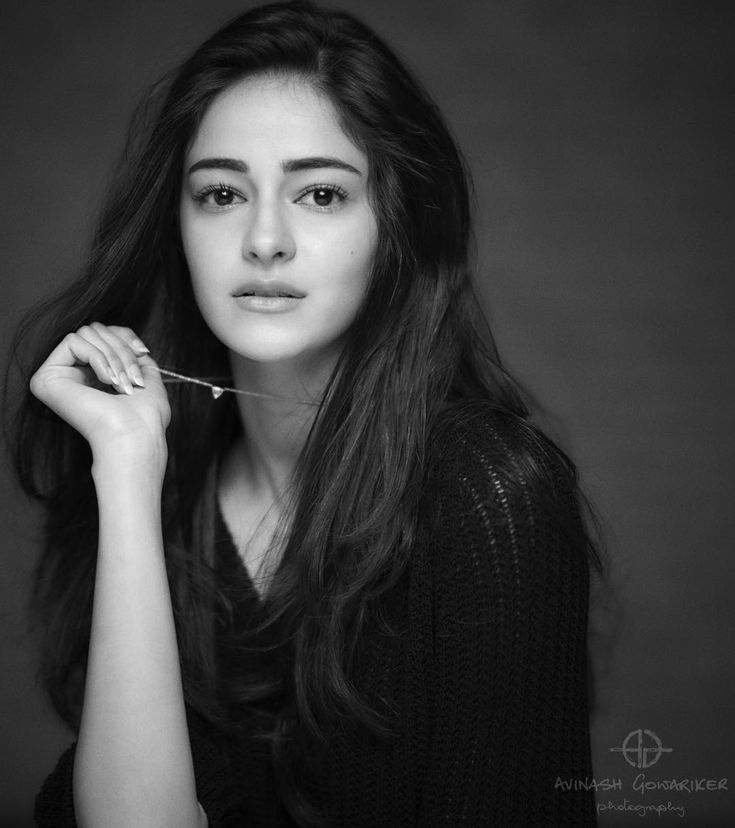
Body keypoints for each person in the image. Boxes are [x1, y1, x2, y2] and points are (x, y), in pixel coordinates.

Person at [8, 2, 599, 825]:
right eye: (220, 193)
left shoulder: (491, 494)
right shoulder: (163, 495)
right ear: (175, 225)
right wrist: (128, 466)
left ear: (395, 223)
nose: (264, 239)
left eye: (320, 193)